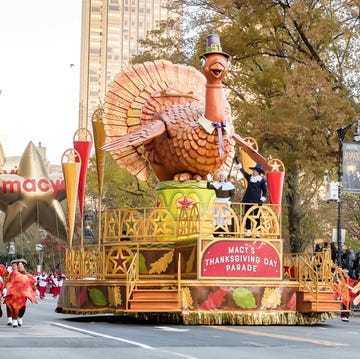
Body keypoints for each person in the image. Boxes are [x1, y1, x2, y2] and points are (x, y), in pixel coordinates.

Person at [235, 158, 267, 238]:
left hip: (256, 201)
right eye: (253, 171)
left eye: (255, 171)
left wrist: (262, 200)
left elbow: (265, 192)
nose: (253, 172)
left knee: (257, 216)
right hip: (247, 200)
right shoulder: (250, 178)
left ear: (258, 172)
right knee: (247, 216)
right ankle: (248, 232)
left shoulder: (262, 180)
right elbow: (243, 172)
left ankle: (257, 232)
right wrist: (238, 163)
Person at [4, 258, 38, 327]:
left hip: (23, 294)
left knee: (23, 307)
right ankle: (13, 320)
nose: (20, 266)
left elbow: (31, 283)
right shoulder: (13, 274)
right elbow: (7, 280)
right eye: (18, 265)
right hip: (13, 293)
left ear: (23, 266)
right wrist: (5, 288)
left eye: (21, 265)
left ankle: (19, 318)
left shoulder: (27, 275)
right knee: (12, 306)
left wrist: (35, 290)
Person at [207, 170, 235, 236]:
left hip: (226, 203)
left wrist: (230, 201)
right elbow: (208, 187)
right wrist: (208, 180)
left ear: (225, 177)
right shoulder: (216, 184)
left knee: (226, 217)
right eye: (220, 176)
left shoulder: (229, 185)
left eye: (222, 176)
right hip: (218, 202)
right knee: (218, 217)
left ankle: (227, 232)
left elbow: (233, 195)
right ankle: (219, 232)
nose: (220, 177)